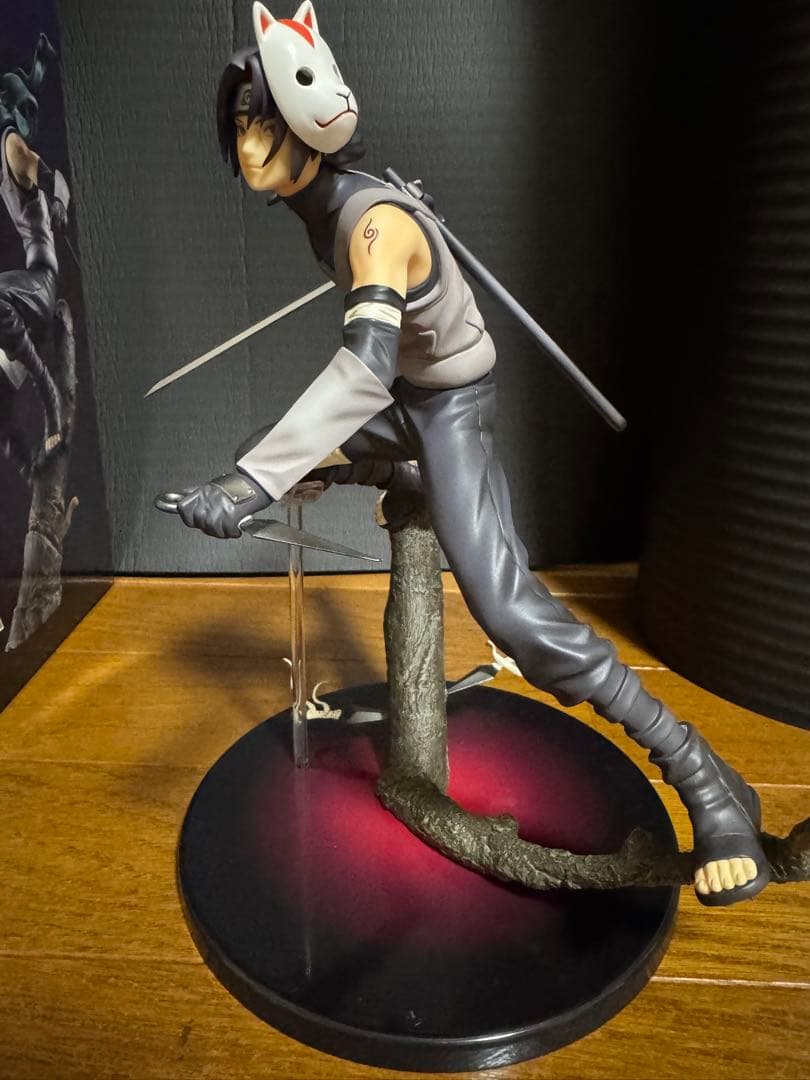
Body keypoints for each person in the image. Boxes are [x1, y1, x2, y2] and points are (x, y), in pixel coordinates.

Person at [171, 2, 768, 906]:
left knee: (513, 614)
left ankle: (706, 778)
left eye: (266, 121)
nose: (252, 144)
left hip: (446, 409)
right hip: (404, 406)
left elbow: (364, 371)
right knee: (262, 449)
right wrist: (265, 466)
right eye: (242, 123)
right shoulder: (323, 205)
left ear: (307, 121)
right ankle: (391, 469)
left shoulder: (371, 226)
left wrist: (253, 487)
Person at [0, 33, 69, 471]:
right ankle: (30, 465)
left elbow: (52, 176)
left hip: (39, 284)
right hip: (29, 305)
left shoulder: (10, 146)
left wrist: (57, 199)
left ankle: (51, 402)